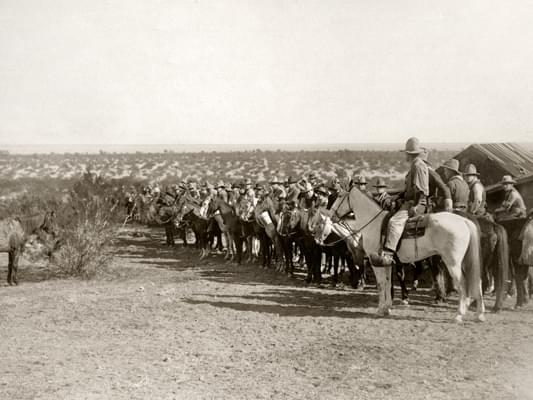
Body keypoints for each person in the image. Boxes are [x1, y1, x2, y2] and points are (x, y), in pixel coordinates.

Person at [371, 137, 429, 266]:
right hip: (410, 201)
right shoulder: (415, 165)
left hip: (414, 203)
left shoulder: (418, 166)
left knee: (394, 222)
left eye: (406, 154)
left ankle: (388, 255)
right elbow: (409, 189)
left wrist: (417, 205)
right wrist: (397, 197)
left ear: (409, 154)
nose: (405, 156)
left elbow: (421, 190)